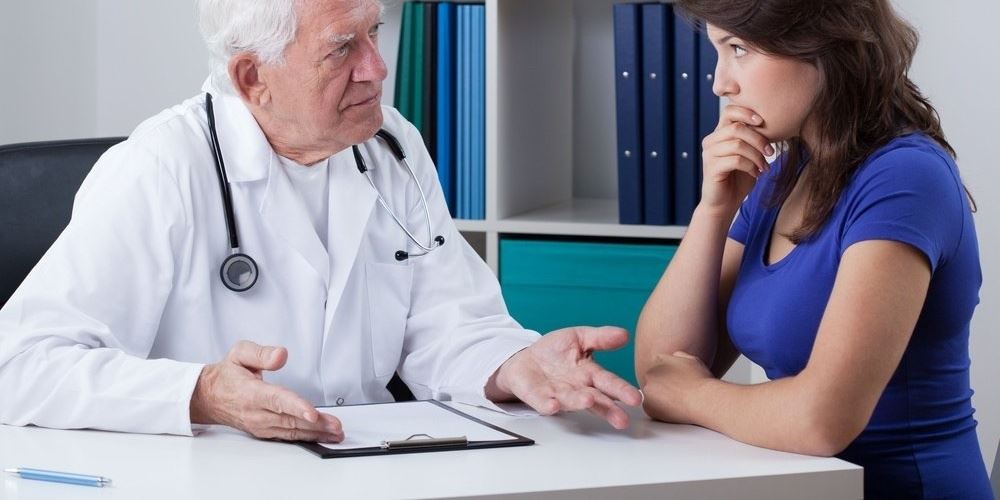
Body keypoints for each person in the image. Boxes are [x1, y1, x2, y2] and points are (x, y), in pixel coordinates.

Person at [0, 0, 641, 443]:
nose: (377, 67)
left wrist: (512, 365)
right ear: (253, 77)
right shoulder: (159, 168)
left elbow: (450, 325)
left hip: (369, 467)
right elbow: (20, 366)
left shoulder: (391, 144)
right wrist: (199, 393)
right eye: (342, 48)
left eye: (374, 32)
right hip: (215, 474)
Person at [634, 0, 992, 498]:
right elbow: (663, 366)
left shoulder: (905, 178)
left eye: (738, 49)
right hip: (803, 486)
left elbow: (821, 421)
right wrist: (711, 212)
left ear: (823, 43)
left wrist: (694, 395)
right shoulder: (785, 174)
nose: (720, 83)